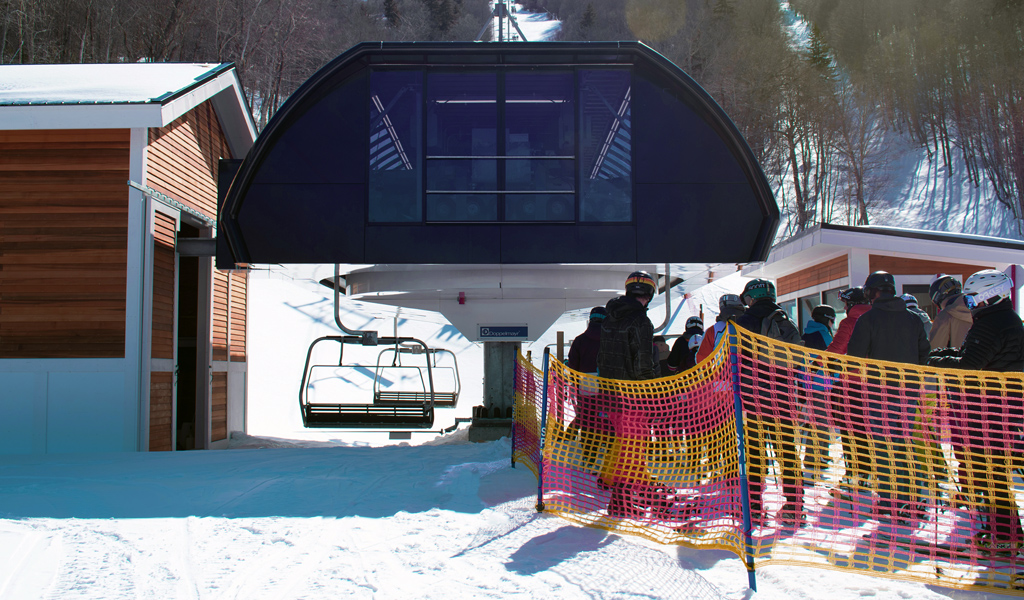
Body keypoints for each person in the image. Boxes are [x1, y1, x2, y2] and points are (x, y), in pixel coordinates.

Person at [928, 269, 1023, 553]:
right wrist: (941, 356)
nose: (970, 306)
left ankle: (1004, 534)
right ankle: (1004, 531)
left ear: (987, 296)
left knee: (992, 474)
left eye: (971, 300)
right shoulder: (1007, 319)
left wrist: (935, 363)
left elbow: (969, 367)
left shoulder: (990, 324)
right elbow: (975, 356)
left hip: (988, 409)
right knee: (994, 473)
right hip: (1003, 405)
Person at [846, 271, 930, 524]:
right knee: (904, 444)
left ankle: (887, 501)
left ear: (873, 292)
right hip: (909, 392)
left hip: (879, 392)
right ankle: (909, 499)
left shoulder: (868, 319)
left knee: (883, 447)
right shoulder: (913, 319)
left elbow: (855, 354)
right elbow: (924, 354)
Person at [734, 278, 805, 526]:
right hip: (784, 397)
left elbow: (733, 359)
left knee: (754, 453)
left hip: (753, 398)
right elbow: (798, 360)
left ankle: (753, 507)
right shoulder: (786, 322)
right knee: (787, 451)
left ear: (751, 298)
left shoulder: (743, 323)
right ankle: (795, 506)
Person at [596, 271, 666, 518]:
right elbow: (643, 364)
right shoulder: (640, 321)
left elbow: (603, 358)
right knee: (633, 449)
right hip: (634, 397)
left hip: (612, 395)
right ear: (648, 294)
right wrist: (652, 395)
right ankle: (621, 502)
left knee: (626, 447)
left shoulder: (609, 319)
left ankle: (640, 490)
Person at [565, 307, 611, 448]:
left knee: (587, 416)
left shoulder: (580, 340)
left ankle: (588, 449)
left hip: (585, 383)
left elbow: (573, 364)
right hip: (607, 383)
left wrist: (575, 381)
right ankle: (607, 447)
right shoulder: (610, 340)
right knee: (607, 413)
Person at [694, 293, 746, 363]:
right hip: (751, 370)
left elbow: (701, 360)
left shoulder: (713, 330)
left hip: (722, 371)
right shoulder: (750, 322)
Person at [929, 274, 971, 350]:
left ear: (938, 298)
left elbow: (935, 349)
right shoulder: (979, 308)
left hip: (957, 360)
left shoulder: (945, 315)